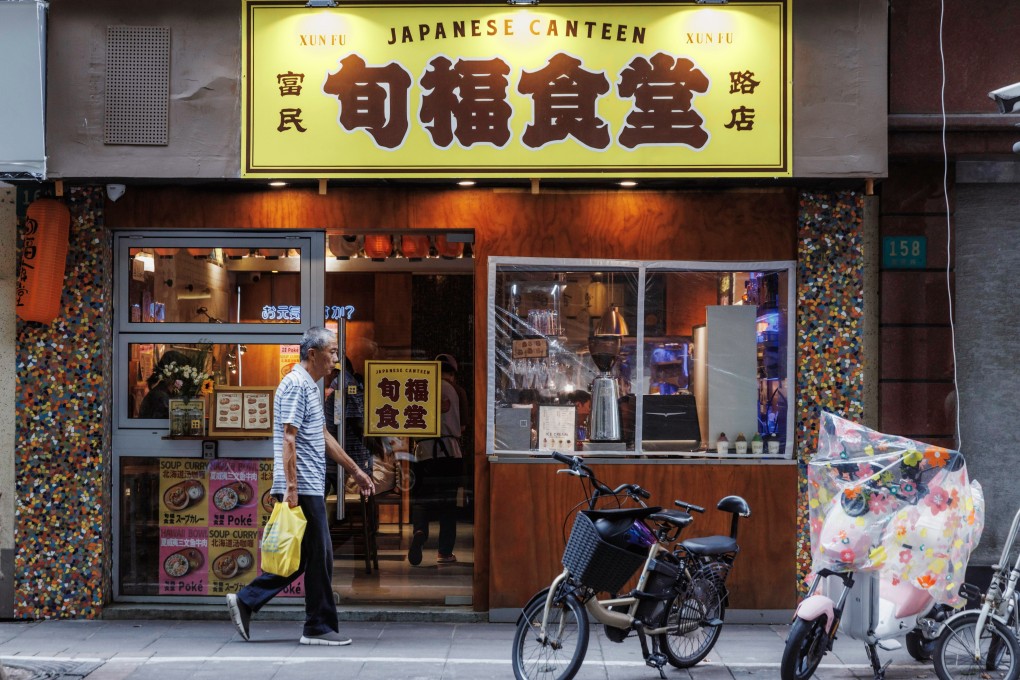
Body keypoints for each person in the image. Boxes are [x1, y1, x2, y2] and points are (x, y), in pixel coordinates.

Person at [226, 327, 375, 646]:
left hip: (306, 483)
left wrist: (356, 471)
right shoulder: (296, 385)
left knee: (307, 557)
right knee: (319, 556)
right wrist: (291, 488)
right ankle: (317, 626)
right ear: (313, 354)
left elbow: (323, 436)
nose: (336, 359)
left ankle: (248, 600)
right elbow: (289, 437)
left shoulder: (309, 385)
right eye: (332, 352)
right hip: (302, 486)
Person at [407, 354, 465, 566]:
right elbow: (464, 426)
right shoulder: (456, 391)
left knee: (422, 499)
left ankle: (420, 531)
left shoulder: (419, 386)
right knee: (448, 503)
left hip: (423, 452)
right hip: (450, 452)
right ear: (451, 373)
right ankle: (444, 552)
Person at [138, 350, 189, 418]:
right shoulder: (160, 397)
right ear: (173, 373)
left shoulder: (165, 392)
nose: (185, 376)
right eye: (183, 372)